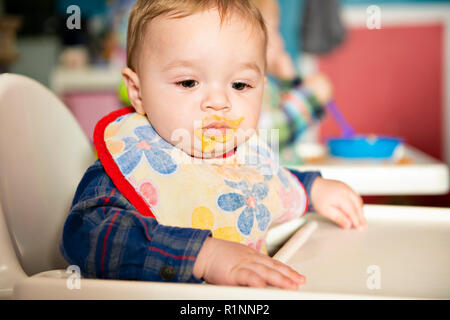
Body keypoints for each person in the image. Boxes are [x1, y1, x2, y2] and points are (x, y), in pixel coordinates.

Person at [61, 0, 366, 291]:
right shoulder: (134, 163)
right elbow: (85, 236)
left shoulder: (242, 153)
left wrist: (313, 189)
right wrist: (203, 256)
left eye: (240, 85)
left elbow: (263, 183)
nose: (219, 101)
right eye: (189, 83)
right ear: (138, 92)